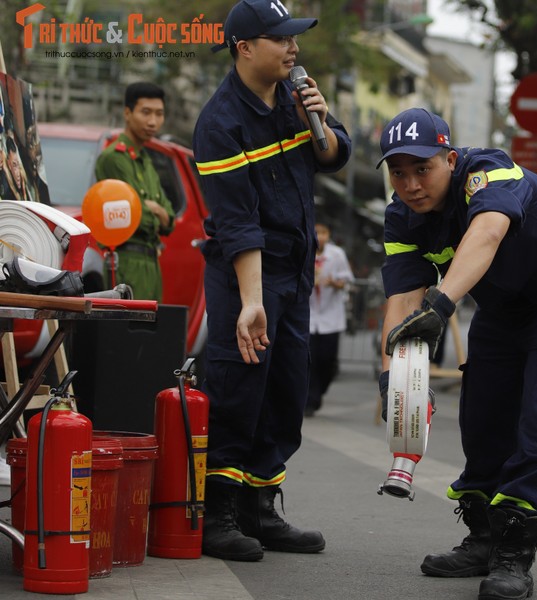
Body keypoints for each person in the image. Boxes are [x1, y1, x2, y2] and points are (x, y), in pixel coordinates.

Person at [377, 108, 537, 600]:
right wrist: (391, 379)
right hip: (504, 305)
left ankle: (514, 555)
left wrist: (441, 306)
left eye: (423, 168)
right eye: (399, 172)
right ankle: (483, 538)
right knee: (481, 413)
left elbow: (486, 233)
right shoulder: (401, 216)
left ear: (451, 159)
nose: (411, 184)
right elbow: (400, 300)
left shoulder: (489, 172)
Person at [192, 0, 351, 562]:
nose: (294, 48)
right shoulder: (220, 124)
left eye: (295, 38)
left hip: (294, 269)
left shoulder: (293, 98)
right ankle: (219, 514)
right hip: (246, 276)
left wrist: (321, 121)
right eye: (282, 39)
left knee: (286, 388)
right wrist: (252, 303)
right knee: (239, 387)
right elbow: (237, 224)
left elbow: (333, 156)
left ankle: (261, 506)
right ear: (244, 48)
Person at [94, 82, 176, 301]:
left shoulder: (146, 160)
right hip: (126, 262)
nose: (153, 121)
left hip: (151, 263)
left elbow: (170, 220)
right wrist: (154, 212)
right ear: (127, 113)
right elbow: (130, 215)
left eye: (159, 114)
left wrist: (155, 209)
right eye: (145, 112)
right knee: (128, 333)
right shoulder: (113, 158)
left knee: (151, 333)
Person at [305, 222, 354, 417]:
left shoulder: (337, 254)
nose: (320, 236)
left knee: (327, 360)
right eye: (316, 232)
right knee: (309, 360)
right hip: (308, 317)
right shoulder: (304, 250)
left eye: (324, 232)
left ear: (329, 234)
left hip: (331, 317)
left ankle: (320, 390)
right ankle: (309, 400)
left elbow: (347, 280)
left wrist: (334, 282)